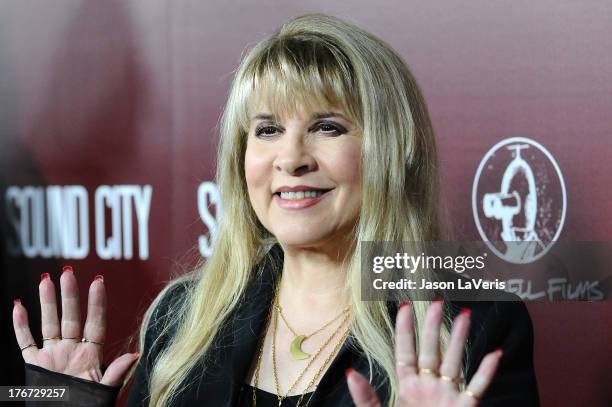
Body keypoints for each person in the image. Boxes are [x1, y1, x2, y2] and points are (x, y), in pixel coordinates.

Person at [12, 13, 539, 407]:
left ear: (392, 149)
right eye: (267, 129)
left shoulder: (473, 330)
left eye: (327, 127)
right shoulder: (182, 319)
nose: (290, 158)